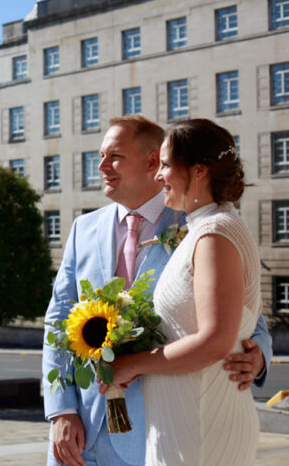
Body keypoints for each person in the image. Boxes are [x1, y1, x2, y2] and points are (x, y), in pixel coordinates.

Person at [41, 115, 273, 466]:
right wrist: (60, 411)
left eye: (114, 156)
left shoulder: (200, 227)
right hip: (82, 431)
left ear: (153, 162)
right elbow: (58, 321)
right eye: (99, 156)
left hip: (161, 427)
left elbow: (245, 317)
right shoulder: (83, 229)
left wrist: (259, 358)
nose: (101, 166)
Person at [102, 119, 263, 465]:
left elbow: (215, 341)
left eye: (164, 165)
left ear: (199, 171)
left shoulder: (214, 235)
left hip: (201, 420)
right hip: (187, 418)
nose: (158, 176)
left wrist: (131, 365)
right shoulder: (209, 227)